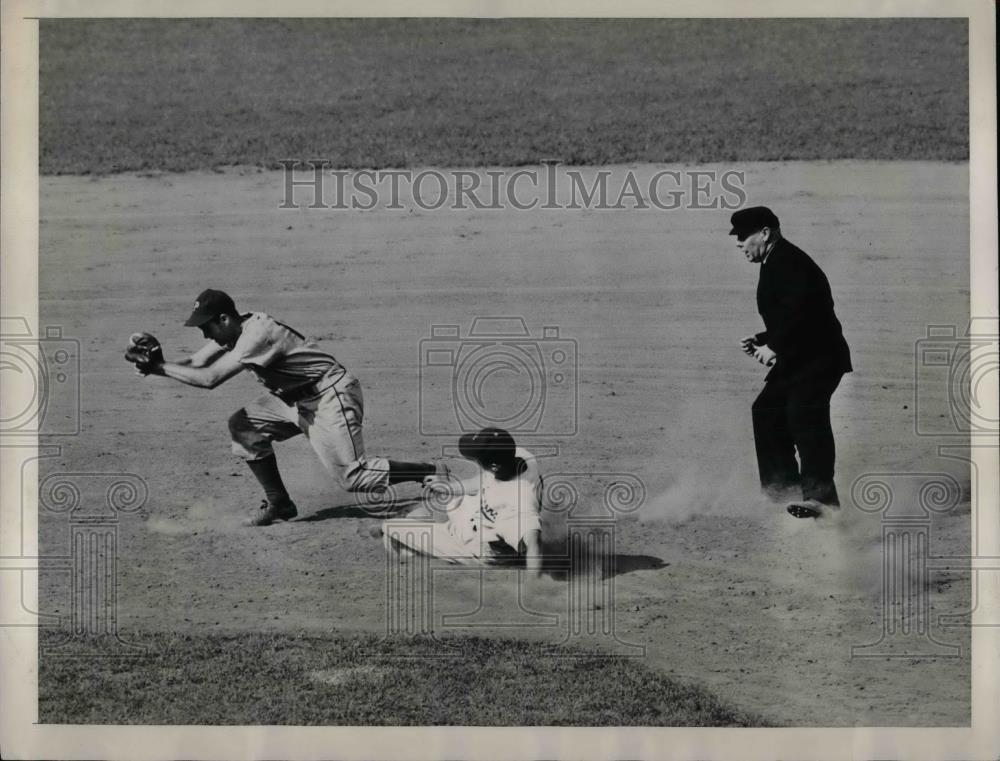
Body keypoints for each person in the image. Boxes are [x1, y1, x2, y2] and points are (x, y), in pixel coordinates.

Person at [138, 288, 445, 526]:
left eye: (206, 327)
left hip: (329, 395)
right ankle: (279, 503)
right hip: (291, 401)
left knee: (354, 478)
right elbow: (195, 362)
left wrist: (158, 368)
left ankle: (430, 472)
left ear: (224, 319)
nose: (204, 335)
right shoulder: (236, 328)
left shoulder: (256, 334)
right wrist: (158, 360)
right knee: (244, 427)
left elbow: (209, 378)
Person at [730, 207, 853, 519]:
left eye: (744, 236)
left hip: (819, 359)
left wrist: (774, 347)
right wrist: (765, 338)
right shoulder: (775, 261)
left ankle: (822, 500)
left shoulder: (789, 261)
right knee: (766, 412)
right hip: (799, 356)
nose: (739, 244)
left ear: (766, 233)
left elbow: (808, 315)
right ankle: (781, 491)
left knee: (804, 415)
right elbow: (791, 314)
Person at [382, 427, 544, 576]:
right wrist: (447, 487)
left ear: (494, 466)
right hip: (482, 517)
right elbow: (484, 480)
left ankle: (416, 554)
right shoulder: (521, 457)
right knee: (445, 506)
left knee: (391, 528)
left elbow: (533, 542)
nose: (474, 460)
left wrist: (531, 591)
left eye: (477, 459)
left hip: (480, 548)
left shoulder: (518, 505)